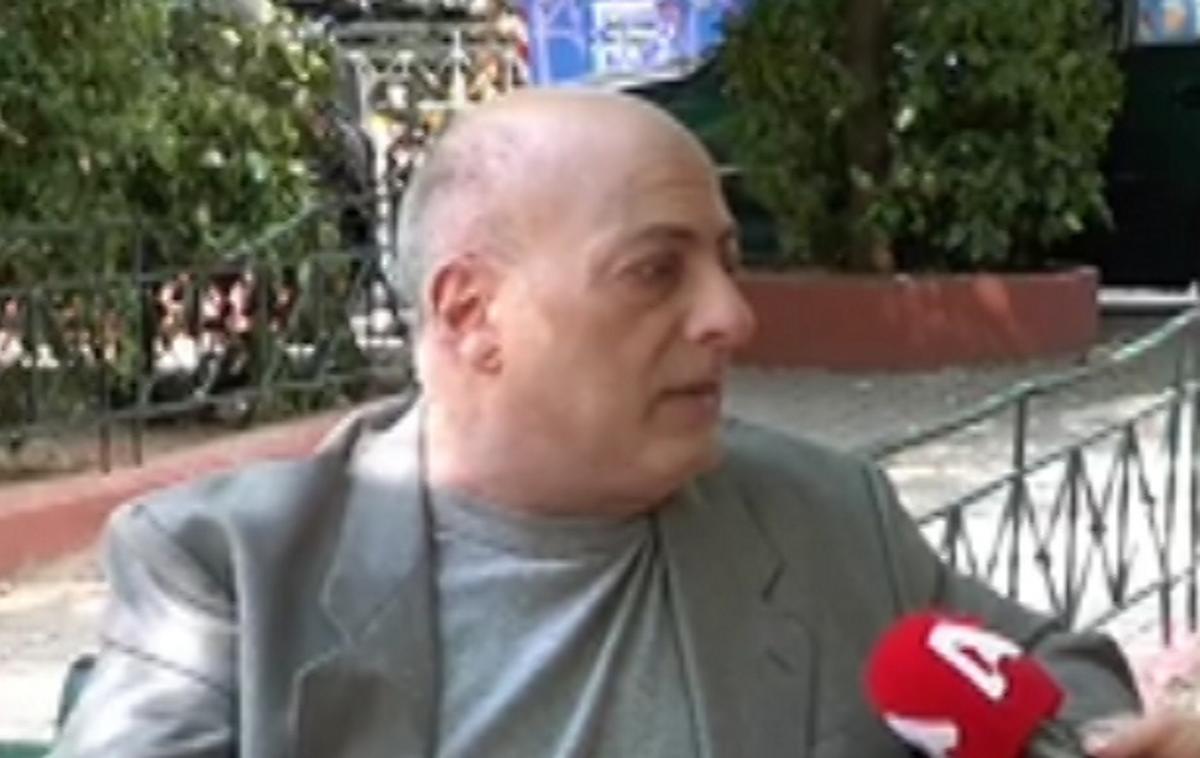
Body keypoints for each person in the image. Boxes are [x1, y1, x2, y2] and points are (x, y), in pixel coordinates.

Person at [51, 89, 1198, 756]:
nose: (731, 315)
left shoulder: (823, 514)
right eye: (657, 270)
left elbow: (1071, 682)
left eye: (729, 261)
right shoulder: (226, 572)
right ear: (473, 312)